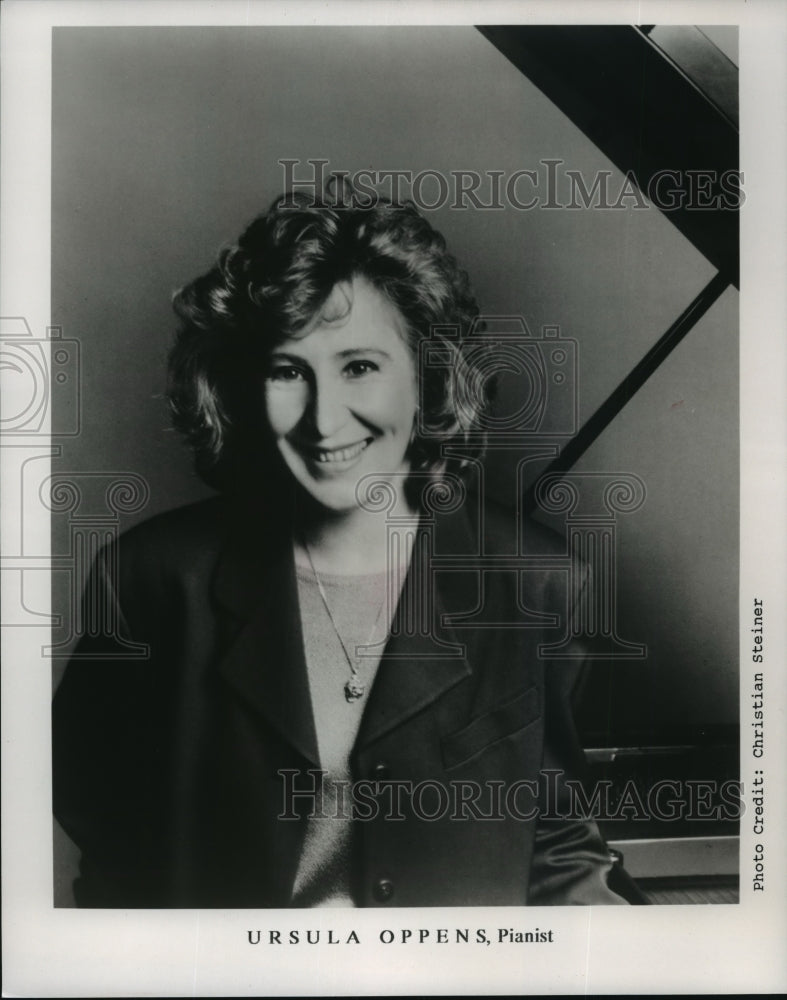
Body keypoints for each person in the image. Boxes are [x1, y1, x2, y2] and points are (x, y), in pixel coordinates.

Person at [52, 189, 628, 907]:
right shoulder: (153, 576)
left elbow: (555, 839)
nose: (325, 421)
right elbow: (103, 822)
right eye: (287, 371)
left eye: (359, 366)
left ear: (426, 376)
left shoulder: (539, 584)